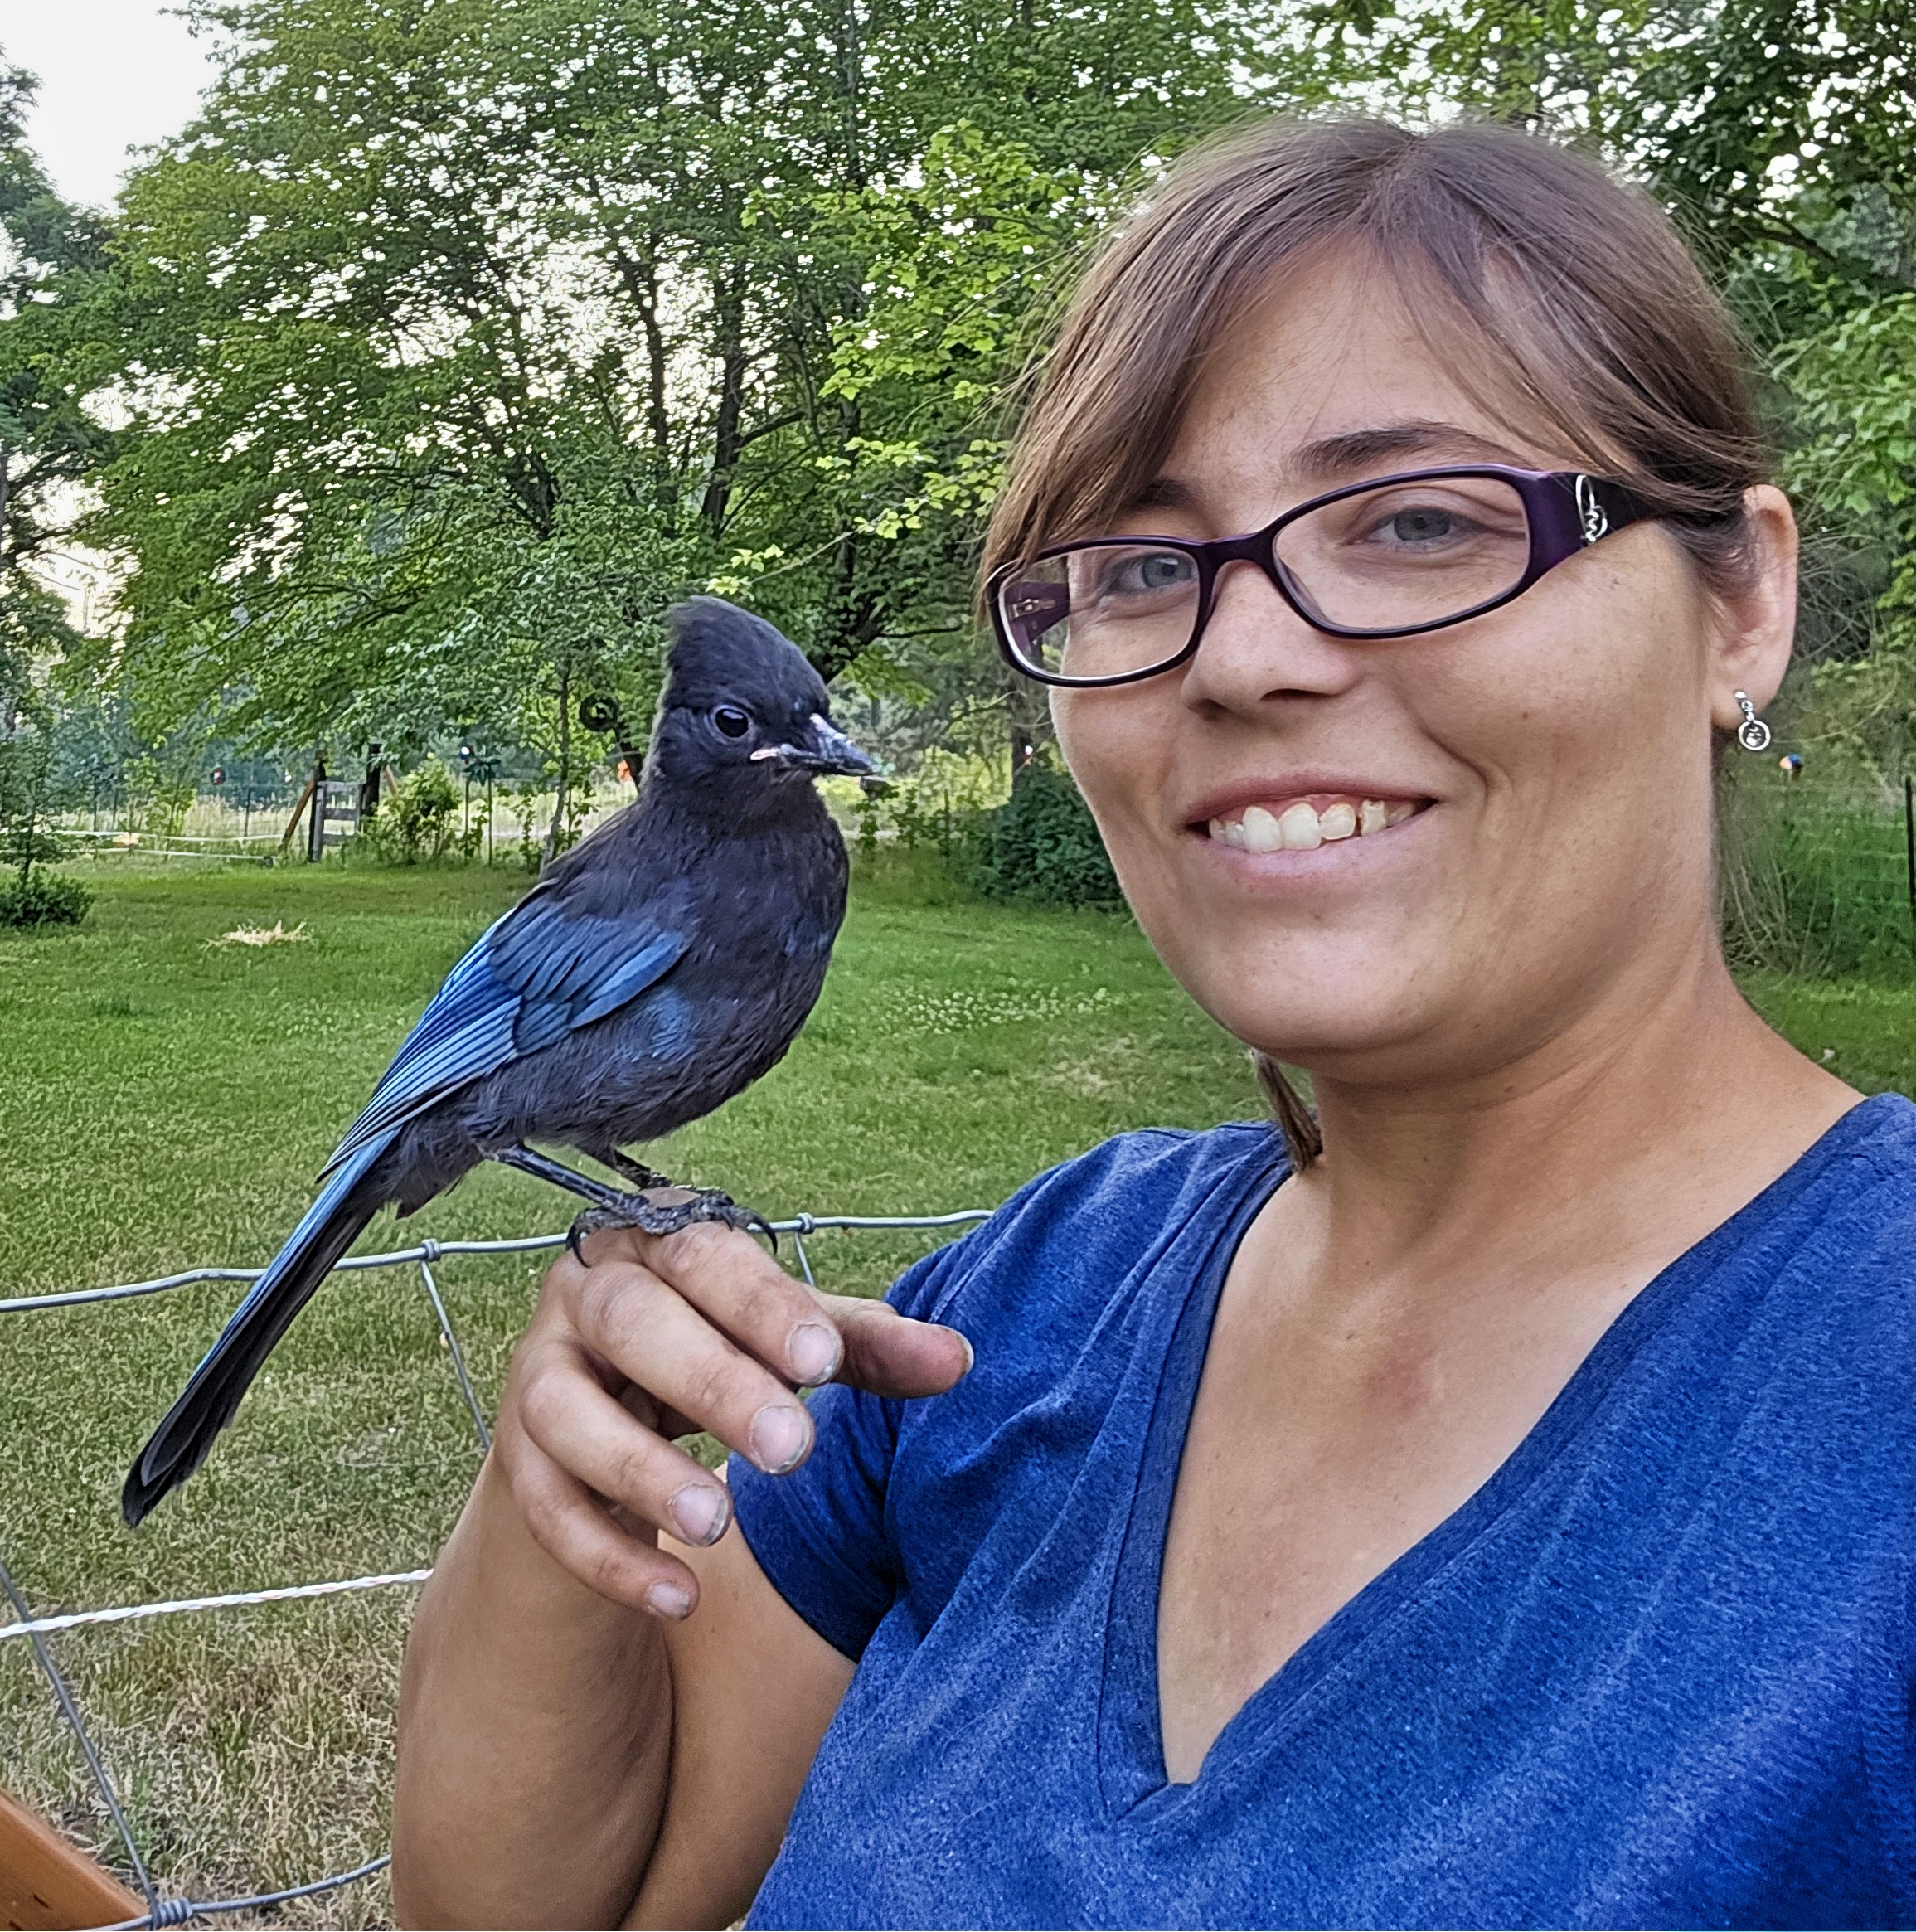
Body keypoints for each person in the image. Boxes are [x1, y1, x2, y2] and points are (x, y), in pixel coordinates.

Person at [390, 116, 1916, 1930]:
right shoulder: (1014, 1313)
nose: (1241, 657)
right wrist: (563, 1482)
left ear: (1738, 599)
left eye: (1418, 521)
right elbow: (567, 1907)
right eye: (1131, 566)